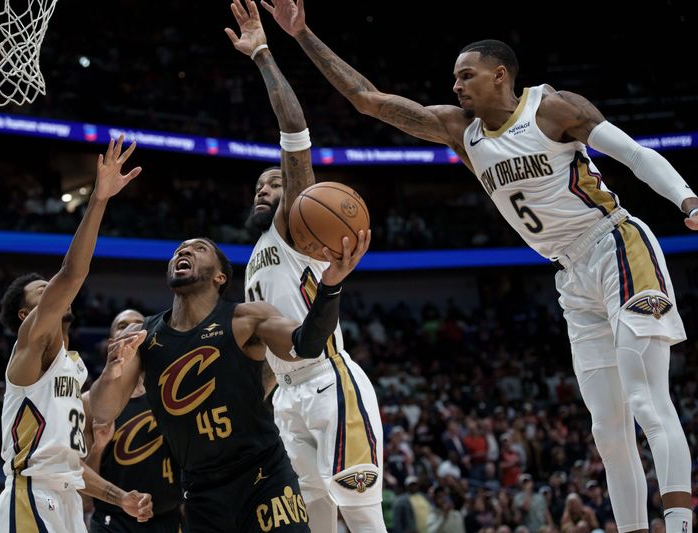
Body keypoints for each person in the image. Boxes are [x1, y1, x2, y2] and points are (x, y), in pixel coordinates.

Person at [263, 2, 697, 532]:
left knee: (646, 400)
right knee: (607, 428)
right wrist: (302, 33)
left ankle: (677, 523)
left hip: (616, 245)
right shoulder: (458, 130)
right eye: (453, 78)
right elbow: (367, 100)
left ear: (500, 75)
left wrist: (687, 200)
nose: (456, 86)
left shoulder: (552, 109)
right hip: (569, 272)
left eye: (466, 76)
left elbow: (633, 154)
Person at [88, 228, 369, 533]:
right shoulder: (147, 335)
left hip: (263, 475)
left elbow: (307, 345)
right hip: (200, 490)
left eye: (198, 248)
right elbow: (103, 412)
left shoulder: (246, 318)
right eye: (179, 248)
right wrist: (112, 369)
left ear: (220, 277)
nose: (183, 251)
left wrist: (330, 286)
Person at [225, 2, 385, 531]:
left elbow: (293, 126)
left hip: (328, 381)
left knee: (360, 517)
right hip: (287, 393)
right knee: (311, 520)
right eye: (259, 185)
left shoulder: (296, 225)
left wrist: (264, 54)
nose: (264, 188)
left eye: (274, 182)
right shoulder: (254, 261)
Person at [0, 137, 154, 532]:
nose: (54, 291)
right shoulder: (30, 346)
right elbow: (71, 275)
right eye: (42, 291)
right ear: (26, 313)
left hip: (65, 500)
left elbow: (71, 465)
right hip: (29, 495)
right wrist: (99, 199)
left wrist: (121, 498)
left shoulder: (73, 366)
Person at [82, 309, 184, 533]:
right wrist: (98, 448)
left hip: (168, 519)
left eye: (139, 325)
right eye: (123, 325)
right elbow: (82, 490)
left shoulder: (170, 393)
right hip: (114, 521)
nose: (131, 330)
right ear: (112, 343)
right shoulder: (89, 403)